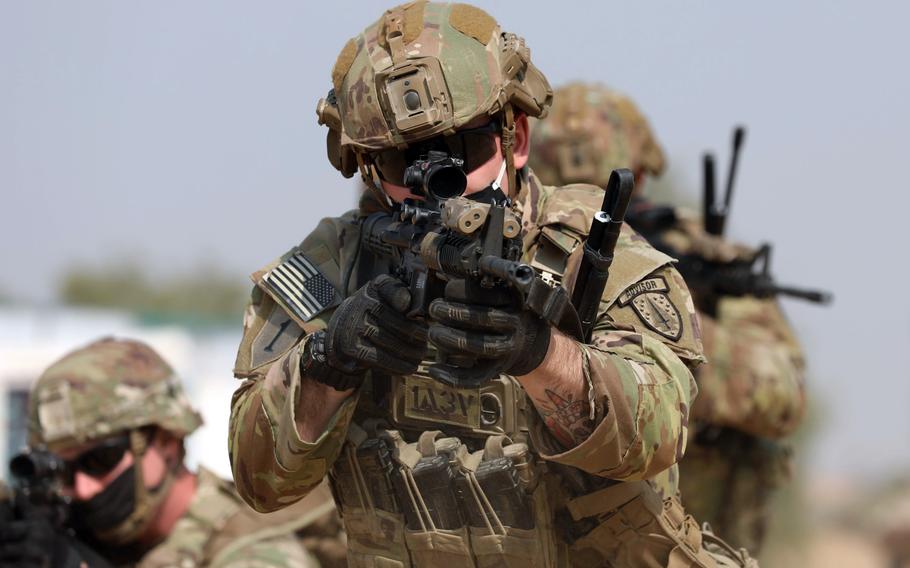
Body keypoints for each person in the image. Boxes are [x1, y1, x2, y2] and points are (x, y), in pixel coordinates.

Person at [229, 3, 755, 566]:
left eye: (464, 150)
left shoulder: (592, 254)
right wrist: (326, 364)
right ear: (367, 167)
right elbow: (260, 482)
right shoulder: (331, 267)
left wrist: (540, 355)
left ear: (516, 138)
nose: (436, 185)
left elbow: (659, 433)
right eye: (400, 159)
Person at [530, 81, 807, 553]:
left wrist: (668, 327)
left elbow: (785, 397)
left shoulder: (696, 253)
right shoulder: (519, 250)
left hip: (689, 528)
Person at [3, 337, 343, 568]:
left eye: (98, 460)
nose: (81, 488)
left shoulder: (250, 548)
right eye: (60, 470)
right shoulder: (83, 535)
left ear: (165, 440)